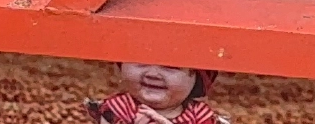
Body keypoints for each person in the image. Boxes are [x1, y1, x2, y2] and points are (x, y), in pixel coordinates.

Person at [85, 64, 227, 124]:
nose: (153, 74)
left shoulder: (200, 115)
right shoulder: (118, 107)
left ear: (196, 77)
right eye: (141, 62)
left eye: (171, 66)